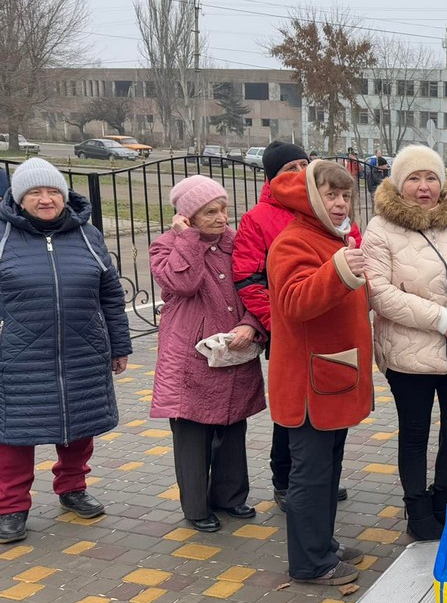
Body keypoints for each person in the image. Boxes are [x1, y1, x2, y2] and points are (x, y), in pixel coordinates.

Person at [362, 146, 447, 540]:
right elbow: (378, 292)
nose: (424, 187)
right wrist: (437, 318)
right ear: (399, 184)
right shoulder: (381, 229)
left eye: (431, 177)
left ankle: (445, 500)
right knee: (415, 433)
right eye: (415, 178)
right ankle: (417, 510)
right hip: (408, 353)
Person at [0, 158, 131, 543]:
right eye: (36, 193)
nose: (45, 200)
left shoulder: (87, 235)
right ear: (20, 198)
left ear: (63, 195)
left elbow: (110, 294)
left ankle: (72, 487)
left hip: (82, 350)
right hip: (18, 354)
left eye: (53, 191)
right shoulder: (3, 236)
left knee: (78, 425)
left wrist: (118, 345)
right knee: (13, 433)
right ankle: (11, 507)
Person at [232, 141, 355, 514]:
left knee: (324, 422)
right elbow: (248, 279)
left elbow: (353, 264)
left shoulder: (333, 218)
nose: (299, 173)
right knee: (294, 415)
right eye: (290, 168)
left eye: (304, 164)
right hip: (289, 331)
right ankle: (285, 480)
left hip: (330, 341)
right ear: (272, 177)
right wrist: (277, 324)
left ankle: (316, 487)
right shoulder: (261, 218)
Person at [267, 161, 373, 586]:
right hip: (310, 384)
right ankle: (310, 563)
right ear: (310, 197)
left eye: (345, 196)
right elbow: (295, 302)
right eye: (330, 194)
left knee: (327, 469)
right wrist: (341, 269)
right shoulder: (293, 242)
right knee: (310, 475)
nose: (340, 203)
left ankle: (322, 545)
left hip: (331, 377)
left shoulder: (328, 239)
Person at [150, 176, 265, 532]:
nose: (222, 218)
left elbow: (258, 284)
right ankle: (197, 507)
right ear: (187, 216)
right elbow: (181, 283)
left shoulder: (237, 243)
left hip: (234, 349)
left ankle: (230, 497)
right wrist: (188, 239)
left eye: (224, 208)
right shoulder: (166, 246)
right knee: (193, 430)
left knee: (233, 423)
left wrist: (250, 325)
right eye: (210, 212)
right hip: (191, 354)